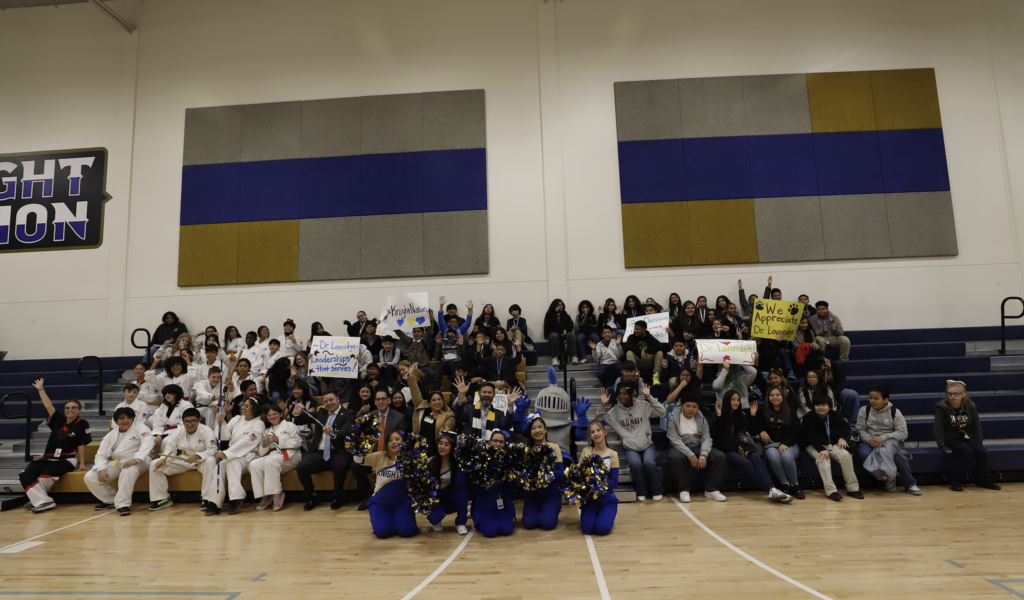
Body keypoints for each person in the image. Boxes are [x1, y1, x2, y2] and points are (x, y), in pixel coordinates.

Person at [19, 380, 92, 514]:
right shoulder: (58, 420)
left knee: (45, 476)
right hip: (48, 458)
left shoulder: (83, 424)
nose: (70, 410)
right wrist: (40, 389)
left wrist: (82, 463)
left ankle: (41, 500)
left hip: (67, 460)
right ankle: (42, 500)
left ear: (79, 410)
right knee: (25, 474)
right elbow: (48, 405)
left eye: (74, 408)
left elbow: (81, 443)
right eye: (67, 408)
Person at [711, 390, 792, 503]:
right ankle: (771, 490)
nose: (736, 402)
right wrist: (719, 418)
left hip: (739, 446)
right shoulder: (718, 413)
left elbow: (751, 431)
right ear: (726, 400)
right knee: (746, 463)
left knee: (755, 456)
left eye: (738, 400)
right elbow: (713, 435)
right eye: (733, 399)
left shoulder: (739, 415)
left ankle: (772, 490)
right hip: (725, 448)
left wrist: (753, 415)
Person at [596, 383, 665, 502]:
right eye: (619, 394)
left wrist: (649, 397)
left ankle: (657, 490)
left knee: (649, 463)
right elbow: (597, 420)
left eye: (624, 394)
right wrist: (603, 405)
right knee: (635, 464)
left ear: (632, 395)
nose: (621, 396)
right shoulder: (615, 411)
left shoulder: (643, 405)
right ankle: (641, 492)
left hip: (647, 444)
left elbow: (661, 410)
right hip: (630, 447)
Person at [293, 392, 360, 510]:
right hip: (319, 452)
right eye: (325, 402)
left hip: (338, 451)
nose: (328, 403)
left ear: (338, 399)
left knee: (340, 465)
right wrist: (297, 412)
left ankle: (337, 496)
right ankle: (311, 497)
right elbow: (304, 417)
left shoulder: (348, 413)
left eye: (331, 400)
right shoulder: (321, 412)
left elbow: (345, 432)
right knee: (301, 467)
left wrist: (333, 434)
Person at [84, 407, 154, 516]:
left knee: (128, 470)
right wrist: (101, 469)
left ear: (133, 419)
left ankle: (123, 504)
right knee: (90, 477)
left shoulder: (141, 428)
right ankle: (110, 500)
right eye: (122, 418)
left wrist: (136, 458)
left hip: (141, 460)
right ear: (116, 421)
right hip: (118, 461)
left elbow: (148, 442)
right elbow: (101, 454)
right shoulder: (110, 435)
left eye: (129, 418)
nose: (125, 420)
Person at [934, 380, 1002, 492]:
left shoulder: (969, 406)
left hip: (965, 436)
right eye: (950, 393)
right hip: (950, 438)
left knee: (982, 452)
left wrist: (979, 444)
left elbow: (976, 426)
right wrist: (942, 446)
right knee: (967, 452)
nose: (952, 396)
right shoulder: (941, 407)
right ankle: (957, 481)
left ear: (963, 394)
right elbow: (938, 428)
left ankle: (983, 480)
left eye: (956, 394)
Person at [148, 408, 218, 511]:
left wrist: (198, 455)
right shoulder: (179, 431)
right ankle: (162, 498)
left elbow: (213, 449)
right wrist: (163, 459)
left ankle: (207, 498)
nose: (190, 424)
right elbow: (170, 448)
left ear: (199, 420)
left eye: (193, 421)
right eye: (187, 421)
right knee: (155, 464)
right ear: (183, 421)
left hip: (201, 460)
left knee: (211, 461)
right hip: (184, 459)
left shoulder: (207, 431)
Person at [204, 397, 266, 515]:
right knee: (219, 467)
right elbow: (225, 436)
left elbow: (247, 441)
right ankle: (214, 501)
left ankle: (236, 496)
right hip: (233, 455)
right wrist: (221, 423)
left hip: (249, 457)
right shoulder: (236, 419)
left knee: (231, 461)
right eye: (243, 405)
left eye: (247, 406)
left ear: (255, 409)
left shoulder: (259, 424)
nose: (243, 407)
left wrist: (226, 453)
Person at [353, 430, 419, 539]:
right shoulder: (380, 456)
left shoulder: (409, 459)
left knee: (407, 531)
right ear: (386, 444)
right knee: (382, 532)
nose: (393, 442)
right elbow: (358, 460)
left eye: (397, 439)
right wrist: (358, 444)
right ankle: (389, 520)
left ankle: (397, 519)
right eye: (390, 440)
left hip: (402, 503)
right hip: (380, 503)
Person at [855, 386, 920, 495]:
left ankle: (910, 484)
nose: (872, 401)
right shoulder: (864, 410)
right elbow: (860, 429)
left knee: (899, 458)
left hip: (891, 441)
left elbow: (903, 433)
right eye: (871, 398)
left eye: (876, 398)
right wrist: (869, 439)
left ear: (886, 400)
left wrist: (884, 438)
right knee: (864, 453)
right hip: (870, 440)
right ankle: (887, 478)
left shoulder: (895, 412)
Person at [800, 395, 862, 501]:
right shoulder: (808, 418)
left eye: (823, 405)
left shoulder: (833, 415)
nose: (820, 407)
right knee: (823, 458)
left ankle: (853, 488)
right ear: (813, 406)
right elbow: (811, 437)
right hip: (814, 445)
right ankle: (831, 491)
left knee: (846, 455)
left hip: (832, 444)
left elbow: (845, 427)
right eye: (817, 405)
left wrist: (842, 438)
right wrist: (821, 449)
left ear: (830, 406)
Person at [667, 396, 726, 502]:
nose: (691, 409)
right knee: (675, 458)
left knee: (719, 456)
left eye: (694, 407)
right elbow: (674, 439)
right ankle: (683, 490)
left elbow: (706, 437)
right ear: (681, 407)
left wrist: (703, 455)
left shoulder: (702, 418)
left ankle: (711, 489)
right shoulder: (673, 419)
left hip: (698, 446)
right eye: (688, 406)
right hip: (680, 446)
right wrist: (691, 455)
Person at [250, 403, 303, 511]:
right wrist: (264, 443)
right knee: (254, 464)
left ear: (281, 414)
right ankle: (266, 494)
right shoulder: (267, 431)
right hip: (273, 455)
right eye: (269, 415)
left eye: (274, 414)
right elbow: (262, 452)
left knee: (270, 461)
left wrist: (279, 440)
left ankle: (277, 493)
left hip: (291, 455)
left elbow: (298, 442)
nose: (271, 417)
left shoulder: (289, 425)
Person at [757, 387, 804, 499]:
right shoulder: (763, 410)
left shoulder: (791, 411)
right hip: (772, 444)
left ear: (783, 397)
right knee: (773, 456)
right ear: (768, 398)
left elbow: (796, 431)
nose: (775, 397)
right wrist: (761, 431)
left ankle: (795, 485)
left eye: (778, 395)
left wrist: (786, 443)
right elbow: (755, 425)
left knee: (786, 456)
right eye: (772, 395)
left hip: (789, 443)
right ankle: (785, 484)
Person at [521, 417, 565, 530]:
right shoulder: (527, 450)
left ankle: (553, 507)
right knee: (529, 523)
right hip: (532, 495)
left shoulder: (554, 447)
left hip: (551, 493)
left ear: (545, 429)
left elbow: (561, 473)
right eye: (533, 428)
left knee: (547, 523)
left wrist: (546, 473)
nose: (537, 430)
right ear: (530, 432)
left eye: (540, 427)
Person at [472, 430, 516, 538]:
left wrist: (510, 472)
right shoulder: (480, 460)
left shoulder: (508, 460)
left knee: (507, 530)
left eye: (501, 442)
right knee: (490, 531)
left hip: (502, 506)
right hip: (485, 506)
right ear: (489, 442)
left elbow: (513, 487)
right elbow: (474, 486)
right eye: (495, 441)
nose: (498, 444)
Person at [579, 421, 619, 535]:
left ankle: (607, 513)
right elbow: (579, 475)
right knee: (587, 529)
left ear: (605, 432)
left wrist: (599, 482)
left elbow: (615, 482)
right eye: (592, 432)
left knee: (602, 529)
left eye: (598, 430)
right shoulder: (586, 451)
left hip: (607, 500)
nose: (596, 434)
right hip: (590, 501)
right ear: (590, 436)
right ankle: (593, 514)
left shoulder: (612, 454)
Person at [427, 431, 469, 534]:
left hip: (452, 498)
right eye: (440, 443)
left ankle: (460, 522)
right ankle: (437, 518)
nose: (442, 447)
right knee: (434, 518)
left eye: (446, 444)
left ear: (452, 447)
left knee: (462, 493)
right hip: (437, 500)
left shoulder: (457, 463)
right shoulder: (430, 462)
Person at [150, 384, 195, 452]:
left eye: (170, 393)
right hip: (165, 431)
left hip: (181, 432)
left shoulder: (186, 405)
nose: (167, 395)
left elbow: (185, 425)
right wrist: (159, 434)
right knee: (149, 440)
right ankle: (151, 459)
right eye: (165, 393)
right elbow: (158, 423)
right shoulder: (163, 406)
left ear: (177, 394)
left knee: (166, 441)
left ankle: (166, 460)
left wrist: (163, 436)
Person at [622, 320, 664, 386]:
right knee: (629, 353)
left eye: (638, 329)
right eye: (635, 328)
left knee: (659, 352)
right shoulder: (631, 337)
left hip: (648, 360)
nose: (635, 330)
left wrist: (648, 352)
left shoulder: (649, 337)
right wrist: (640, 351)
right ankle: (635, 374)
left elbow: (660, 346)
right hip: (638, 361)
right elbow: (627, 347)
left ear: (644, 330)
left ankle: (656, 375)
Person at [544, 298, 577, 366]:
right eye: (559, 305)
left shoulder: (565, 315)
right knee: (555, 336)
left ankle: (573, 356)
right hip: (553, 333)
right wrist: (555, 313)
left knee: (570, 335)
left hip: (564, 333)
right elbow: (548, 326)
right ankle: (555, 358)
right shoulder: (550, 315)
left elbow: (570, 325)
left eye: (562, 305)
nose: (561, 306)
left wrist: (566, 330)